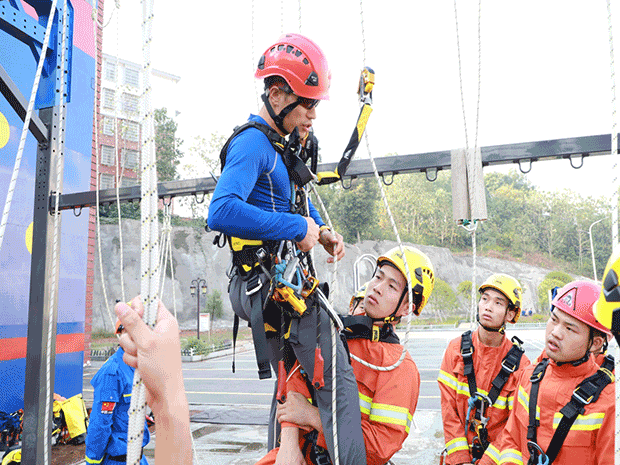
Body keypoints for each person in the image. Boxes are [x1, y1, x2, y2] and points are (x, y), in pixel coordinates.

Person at [207, 33, 364, 463]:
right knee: (338, 380)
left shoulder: (281, 147)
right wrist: (296, 226)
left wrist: (320, 228)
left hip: (279, 285)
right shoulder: (252, 144)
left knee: (294, 379)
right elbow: (220, 211)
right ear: (276, 94)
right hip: (263, 286)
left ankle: (289, 452)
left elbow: (289, 198)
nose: (313, 114)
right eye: (307, 103)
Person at [254, 246, 435, 465]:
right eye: (378, 277)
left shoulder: (400, 369)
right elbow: (293, 388)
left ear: (407, 307)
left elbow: (377, 449)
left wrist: (312, 416)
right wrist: (289, 445)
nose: (377, 288)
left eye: (391, 286)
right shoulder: (337, 332)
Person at [479, 280, 615, 465]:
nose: (555, 333)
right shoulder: (530, 377)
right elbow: (510, 439)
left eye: (569, 328)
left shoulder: (608, 403)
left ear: (596, 343)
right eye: (554, 319)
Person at [438, 274, 530, 465]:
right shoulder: (455, 350)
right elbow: (449, 411)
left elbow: (514, 427)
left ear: (510, 314)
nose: (488, 306)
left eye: (498, 303)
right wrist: (459, 459)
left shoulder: (521, 366)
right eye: (485, 299)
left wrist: (486, 462)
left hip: (497, 458)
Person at [114, 297, 192, 465]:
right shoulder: (114, 370)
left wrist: (166, 400)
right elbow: (102, 420)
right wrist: (166, 400)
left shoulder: (133, 364)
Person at [85, 316, 151, 465]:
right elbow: (100, 422)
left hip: (139, 458)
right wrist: (92, 459)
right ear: (122, 334)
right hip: (117, 460)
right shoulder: (112, 372)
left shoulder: (138, 367)